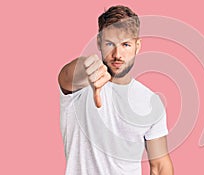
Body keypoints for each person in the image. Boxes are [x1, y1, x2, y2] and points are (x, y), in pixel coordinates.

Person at [58, 5, 174, 175]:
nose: (117, 54)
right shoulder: (78, 88)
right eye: (109, 43)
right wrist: (88, 67)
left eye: (126, 44)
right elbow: (67, 76)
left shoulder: (150, 102)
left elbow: (160, 165)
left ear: (137, 46)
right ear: (99, 42)